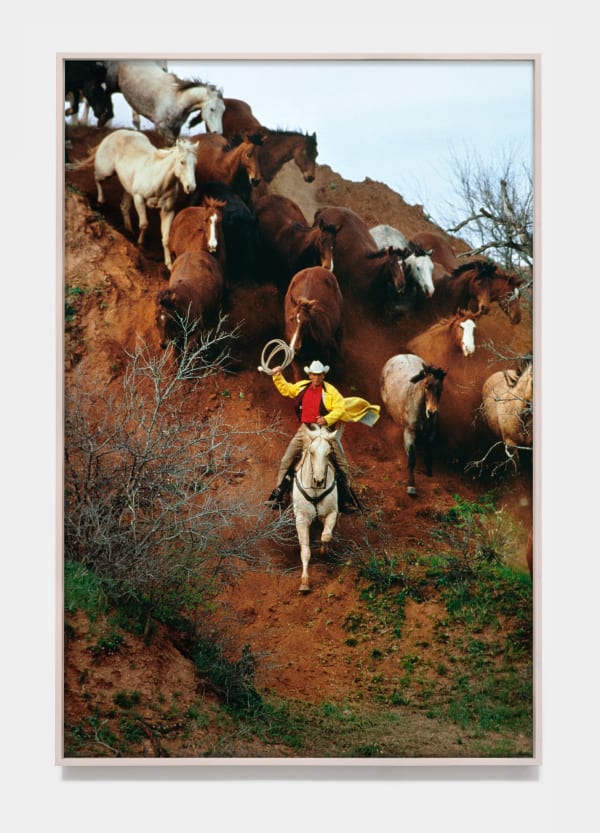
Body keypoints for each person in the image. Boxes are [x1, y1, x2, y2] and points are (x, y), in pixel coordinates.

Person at [267, 359, 378, 513]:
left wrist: (327, 419)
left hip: (324, 432)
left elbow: (340, 408)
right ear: (310, 375)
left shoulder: (331, 391)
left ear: (323, 375)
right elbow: (287, 390)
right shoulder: (302, 387)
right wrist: (277, 376)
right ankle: (279, 494)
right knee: (286, 460)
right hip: (304, 430)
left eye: (320, 375)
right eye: (314, 374)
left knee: (342, 464)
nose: (317, 377)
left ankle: (345, 499)